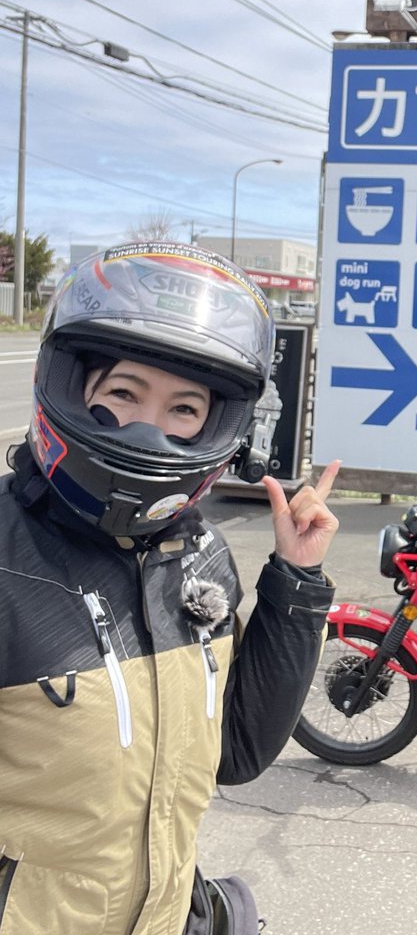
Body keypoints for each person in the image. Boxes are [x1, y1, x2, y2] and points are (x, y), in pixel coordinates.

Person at [0, 241, 339, 935]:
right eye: (124, 394)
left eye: (184, 409)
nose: (151, 429)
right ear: (73, 387)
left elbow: (236, 753)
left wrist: (296, 579)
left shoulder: (200, 558)